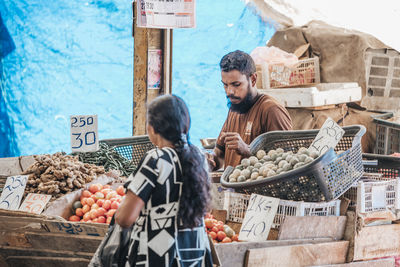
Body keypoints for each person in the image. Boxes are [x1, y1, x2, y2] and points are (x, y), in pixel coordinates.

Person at [114, 95, 213, 266]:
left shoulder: (155, 159)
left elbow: (125, 218)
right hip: (194, 257)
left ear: (152, 128)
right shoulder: (199, 157)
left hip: (156, 257)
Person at [207, 50, 292, 170]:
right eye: (225, 85)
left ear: (253, 79)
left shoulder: (271, 110)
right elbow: (220, 155)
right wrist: (210, 161)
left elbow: (285, 166)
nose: (229, 92)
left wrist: (247, 150)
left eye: (236, 84)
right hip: (232, 188)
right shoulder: (234, 107)